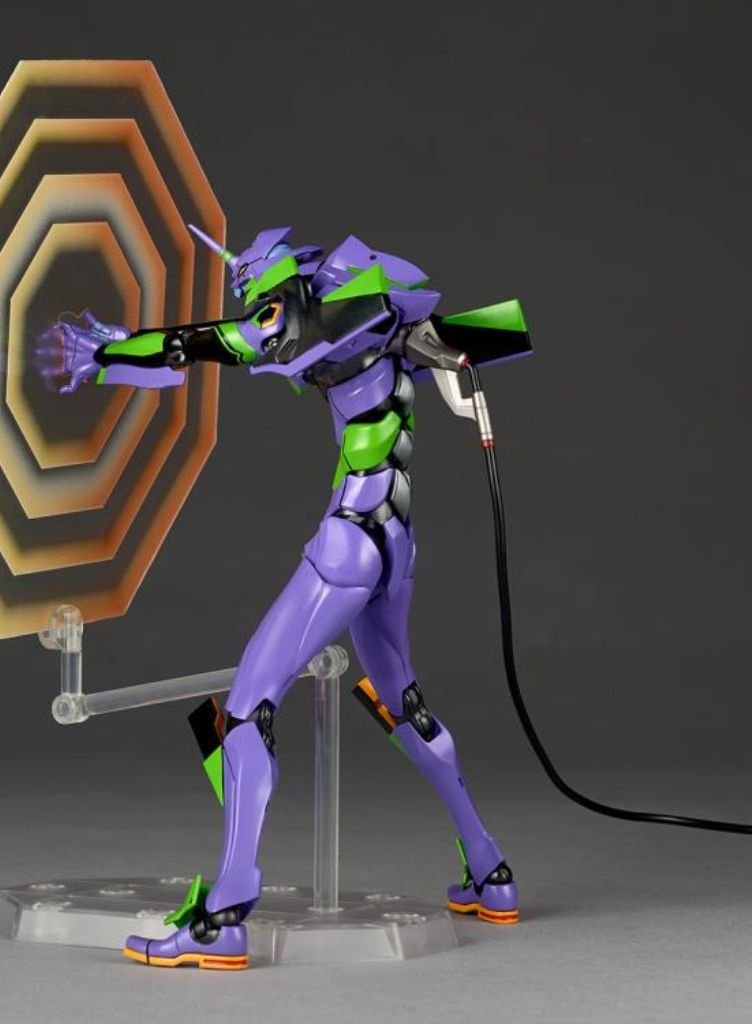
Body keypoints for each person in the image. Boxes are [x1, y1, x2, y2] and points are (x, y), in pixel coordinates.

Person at [37, 225, 526, 969]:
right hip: (397, 542)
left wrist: (107, 351)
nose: (255, 305)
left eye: (256, 291)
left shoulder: (309, 322)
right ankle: (490, 871)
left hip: (348, 547)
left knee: (244, 709)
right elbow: (492, 333)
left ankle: (224, 917)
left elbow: (199, 343)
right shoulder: (392, 323)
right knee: (404, 704)